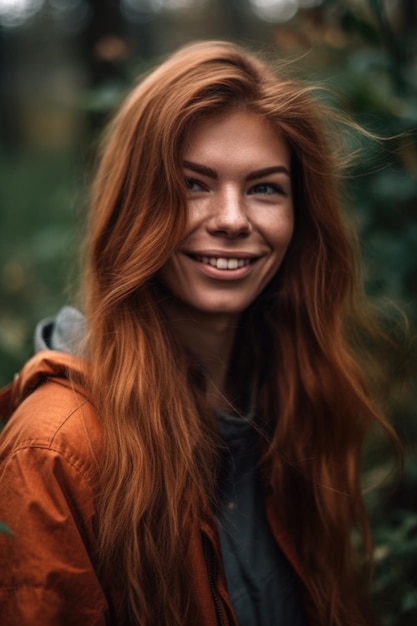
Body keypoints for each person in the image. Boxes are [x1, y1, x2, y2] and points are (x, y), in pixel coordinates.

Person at [0, 40, 400, 626]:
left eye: (265, 187)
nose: (233, 220)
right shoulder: (56, 449)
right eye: (193, 184)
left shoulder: (293, 399)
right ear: (132, 207)